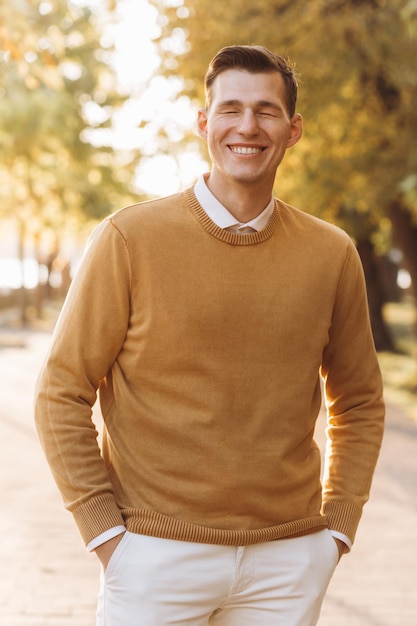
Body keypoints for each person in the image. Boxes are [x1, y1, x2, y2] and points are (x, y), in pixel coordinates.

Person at [34, 45, 385, 626]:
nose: (248, 126)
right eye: (231, 109)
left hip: (287, 561)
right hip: (154, 557)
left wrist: (338, 528)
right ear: (204, 123)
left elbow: (361, 401)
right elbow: (60, 392)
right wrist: (106, 535)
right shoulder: (129, 239)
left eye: (267, 111)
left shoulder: (332, 254)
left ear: (292, 130)